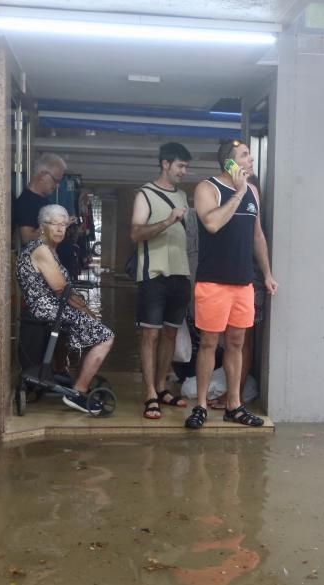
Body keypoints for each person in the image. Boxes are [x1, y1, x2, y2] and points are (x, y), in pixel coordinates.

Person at [185, 140, 278, 429]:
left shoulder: (253, 192)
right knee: (210, 343)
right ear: (229, 163)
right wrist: (237, 195)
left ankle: (233, 405)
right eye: (245, 156)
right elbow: (212, 223)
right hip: (213, 282)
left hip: (243, 282)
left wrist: (266, 273)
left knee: (237, 343)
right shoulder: (207, 188)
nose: (251, 161)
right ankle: (200, 405)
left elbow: (257, 235)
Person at [16, 204, 114, 413]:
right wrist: (89, 314)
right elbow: (62, 291)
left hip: (49, 307)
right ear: (43, 226)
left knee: (92, 333)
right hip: (48, 309)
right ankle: (78, 392)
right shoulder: (41, 250)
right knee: (105, 337)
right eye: (55, 224)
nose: (60, 229)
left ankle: (80, 378)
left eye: (63, 224)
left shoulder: (48, 249)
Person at [130, 142, 193, 419]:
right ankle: (149, 394)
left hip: (181, 274)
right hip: (153, 275)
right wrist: (167, 221)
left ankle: (162, 386)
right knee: (150, 334)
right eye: (180, 165)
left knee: (170, 333)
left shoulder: (183, 195)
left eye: (185, 167)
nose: (184, 171)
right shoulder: (145, 194)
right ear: (165, 164)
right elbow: (136, 234)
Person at [14, 153, 66, 246]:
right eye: (55, 180)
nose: (57, 185)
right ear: (42, 175)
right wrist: (53, 227)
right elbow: (27, 238)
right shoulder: (26, 201)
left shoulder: (44, 201)